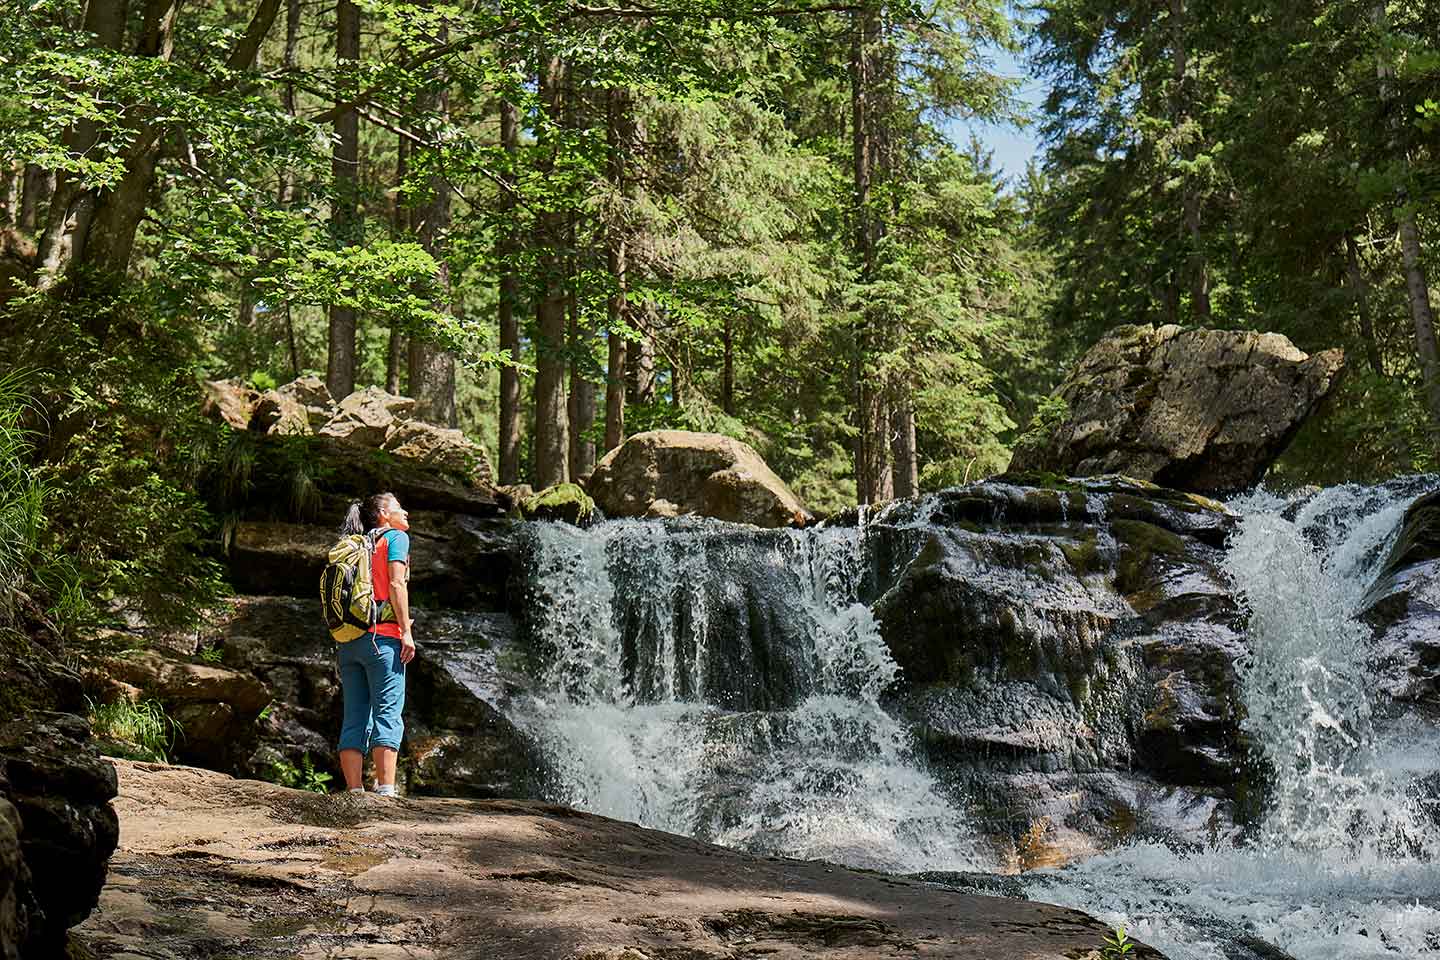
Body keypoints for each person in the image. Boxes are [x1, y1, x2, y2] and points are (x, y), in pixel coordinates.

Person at [335, 492, 415, 796]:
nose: (405, 511)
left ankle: (354, 792)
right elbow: (396, 584)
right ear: (383, 513)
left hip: (350, 640)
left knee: (355, 715)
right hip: (383, 640)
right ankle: (385, 792)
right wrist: (405, 631)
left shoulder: (355, 545)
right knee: (388, 711)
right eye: (399, 507)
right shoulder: (395, 538)